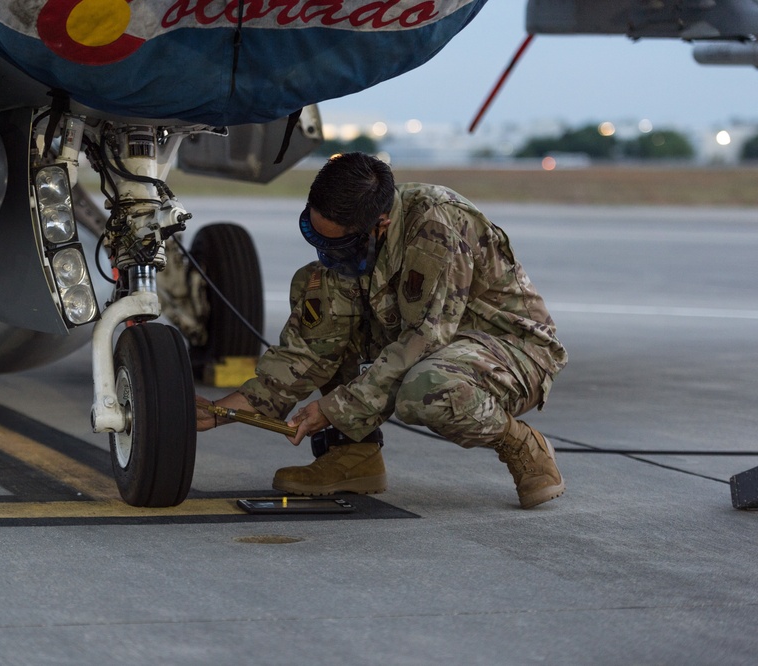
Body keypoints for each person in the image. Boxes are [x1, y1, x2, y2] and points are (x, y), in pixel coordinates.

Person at [196, 152, 568, 509]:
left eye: (338, 244)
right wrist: (223, 411)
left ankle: (521, 444)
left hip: (511, 349)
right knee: (318, 288)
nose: (327, 253)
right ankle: (354, 453)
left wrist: (337, 407)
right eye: (315, 237)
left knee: (425, 388)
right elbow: (307, 353)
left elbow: (423, 340)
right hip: (439, 344)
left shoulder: (437, 227)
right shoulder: (356, 246)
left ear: (382, 223)